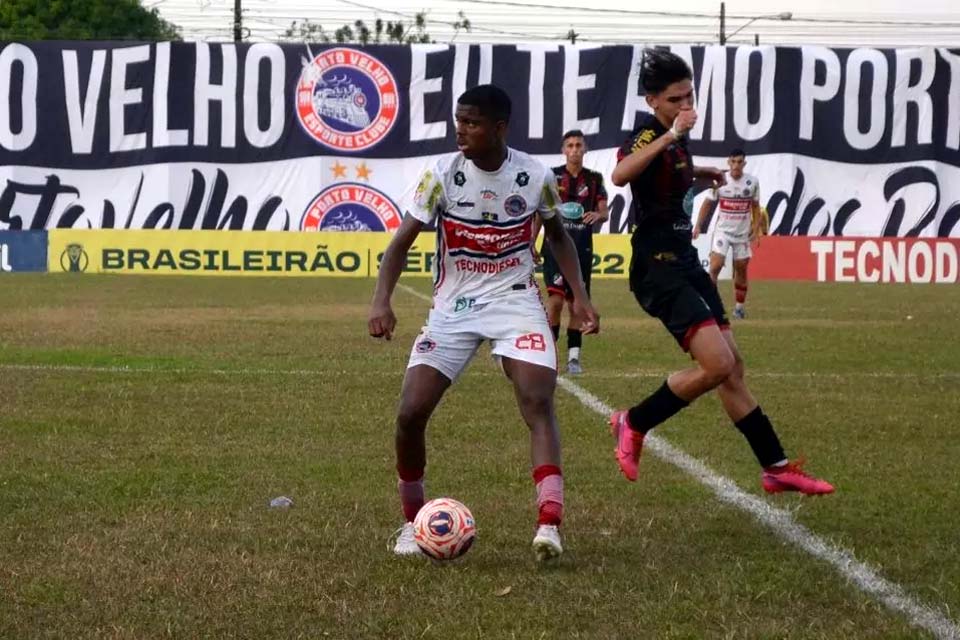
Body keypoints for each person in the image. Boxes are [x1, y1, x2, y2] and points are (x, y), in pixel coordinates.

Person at [368, 85, 600, 561]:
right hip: (454, 308)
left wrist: (579, 297)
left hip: (515, 302)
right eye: (458, 121)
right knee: (410, 414)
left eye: (472, 123)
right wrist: (381, 301)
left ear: (499, 128)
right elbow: (400, 244)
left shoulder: (533, 176)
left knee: (538, 398)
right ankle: (412, 523)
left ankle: (549, 524)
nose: (461, 130)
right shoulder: (440, 175)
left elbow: (558, 237)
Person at [608, 49, 833, 496]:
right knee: (717, 364)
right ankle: (632, 422)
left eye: (690, 96)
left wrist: (698, 171)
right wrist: (671, 134)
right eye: (675, 99)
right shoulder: (648, 133)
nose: (686, 107)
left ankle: (776, 467)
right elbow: (621, 174)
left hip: (684, 260)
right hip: (657, 267)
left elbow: (667, 176)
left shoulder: (677, 137)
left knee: (733, 370)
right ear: (652, 100)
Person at [533, 129, 609, 375]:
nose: (575, 149)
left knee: (577, 306)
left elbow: (604, 211)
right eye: (570, 145)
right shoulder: (552, 177)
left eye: (579, 145)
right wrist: (531, 242)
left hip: (582, 249)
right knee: (555, 302)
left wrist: (598, 215)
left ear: (585, 149)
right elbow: (538, 213)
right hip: (554, 248)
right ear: (563, 150)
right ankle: (550, 355)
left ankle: (574, 359)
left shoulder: (595, 179)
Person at [693, 149, 761, 319]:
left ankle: (739, 308)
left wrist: (757, 228)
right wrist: (698, 225)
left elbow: (755, 207)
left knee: (741, 270)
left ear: (744, 163)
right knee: (715, 266)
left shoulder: (752, 182)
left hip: (742, 234)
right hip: (722, 232)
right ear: (728, 162)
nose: (736, 165)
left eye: (740, 162)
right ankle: (711, 306)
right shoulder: (721, 180)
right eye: (733, 162)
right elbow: (707, 204)